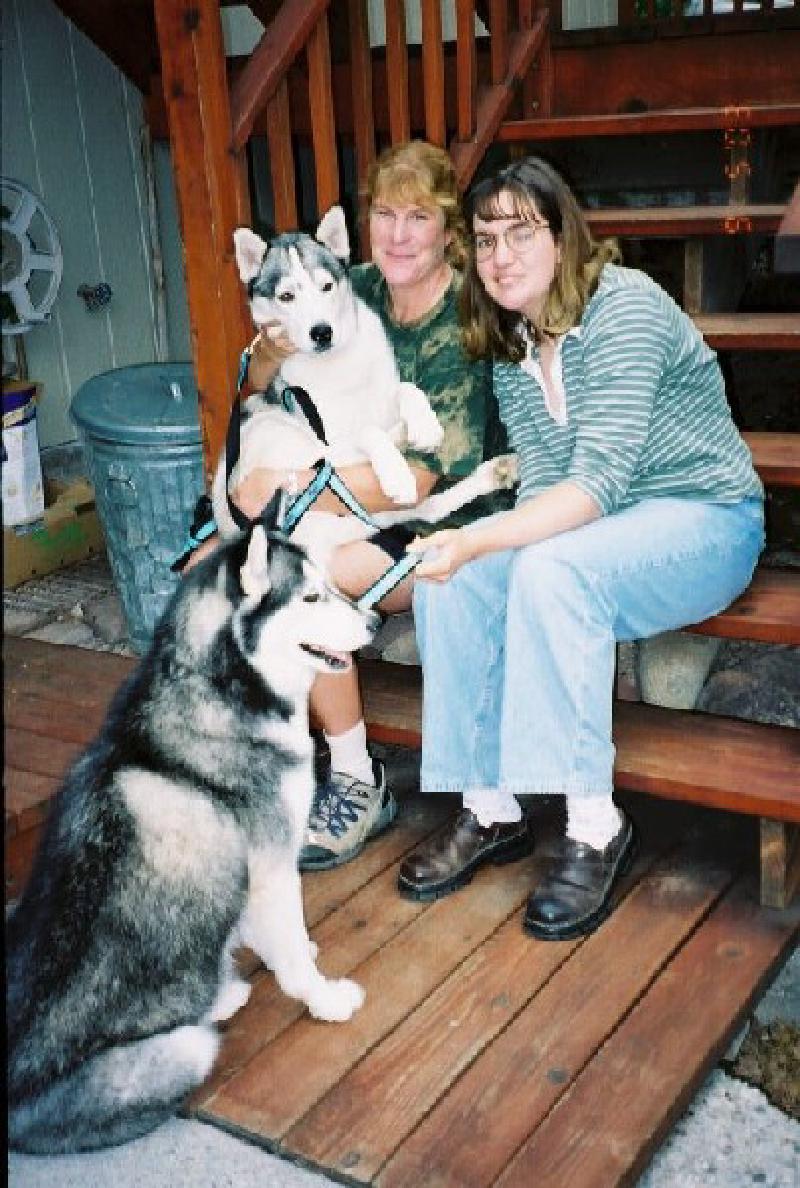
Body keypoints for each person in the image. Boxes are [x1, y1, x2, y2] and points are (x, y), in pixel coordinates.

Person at [399, 156, 764, 939]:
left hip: (705, 518)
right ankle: (490, 805)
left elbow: (594, 484)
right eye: (486, 239)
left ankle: (595, 825)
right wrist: (473, 552)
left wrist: (473, 535)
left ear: (562, 237)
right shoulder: (513, 340)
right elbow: (544, 487)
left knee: (548, 568)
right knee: (453, 581)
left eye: (521, 233)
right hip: (606, 526)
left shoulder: (624, 307)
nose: (500, 255)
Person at [236, 140, 511, 871]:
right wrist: (268, 358)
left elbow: (421, 479)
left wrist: (291, 492)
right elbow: (258, 376)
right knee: (217, 562)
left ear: (448, 229)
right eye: (385, 214)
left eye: (418, 217)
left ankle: (357, 779)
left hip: (450, 522)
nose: (397, 235)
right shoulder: (348, 284)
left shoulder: (462, 320)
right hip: (355, 495)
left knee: (300, 580)